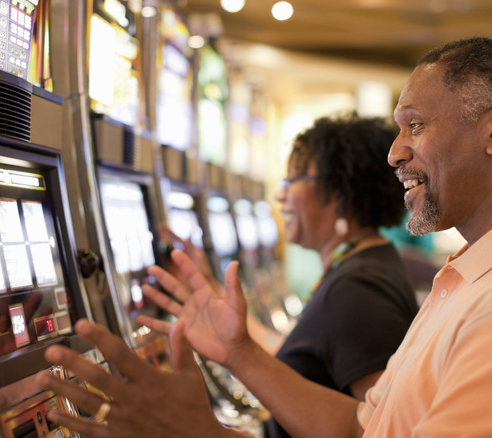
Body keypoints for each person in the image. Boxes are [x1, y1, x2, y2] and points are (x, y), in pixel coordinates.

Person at [38, 37, 492, 437]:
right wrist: (239, 353)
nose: (394, 151)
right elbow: (362, 427)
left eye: (415, 126)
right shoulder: (485, 276)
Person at [151, 114, 419, 437]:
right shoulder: (358, 265)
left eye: (291, 182)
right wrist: (214, 300)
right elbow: (304, 363)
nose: (279, 196)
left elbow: (379, 428)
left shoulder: (359, 290)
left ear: (337, 191)